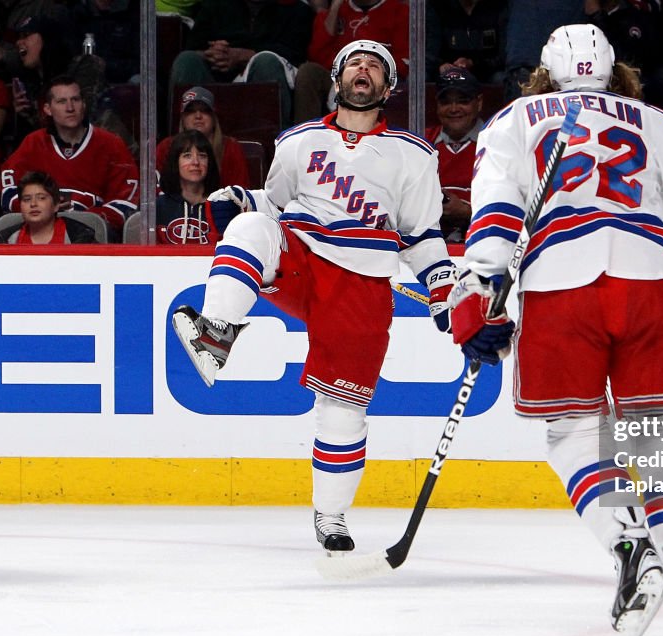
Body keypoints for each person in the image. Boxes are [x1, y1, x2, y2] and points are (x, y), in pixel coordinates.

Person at [451, 24, 663, 636]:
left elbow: (496, 211)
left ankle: (628, 544)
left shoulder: (517, 117)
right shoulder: (657, 123)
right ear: (615, 74)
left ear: (545, 72)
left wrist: (484, 294)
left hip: (563, 285)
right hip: (650, 282)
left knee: (574, 432)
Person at [171, 40, 457, 554]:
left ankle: (331, 517)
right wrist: (239, 198)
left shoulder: (414, 155)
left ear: (387, 87)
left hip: (363, 285)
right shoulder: (299, 140)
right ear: (338, 79)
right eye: (355, 64)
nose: (363, 70)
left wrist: (440, 283)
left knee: (342, 410)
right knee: (253, 227)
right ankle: (214, 334)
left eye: (375, 66)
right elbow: (274, 203)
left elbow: (421, 233)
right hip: (303, 255)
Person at [0, 76, 139, 237]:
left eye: (75, 99)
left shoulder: (111, 144)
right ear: (47, 109)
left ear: (84, 105)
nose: (70, 107)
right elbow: (8, 189)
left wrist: (81, 219)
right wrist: (45, 212)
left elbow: (126, 201)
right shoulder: (33, 143)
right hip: (39, 232)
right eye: (61, 101)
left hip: (93, 237)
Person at [169, 0, 314, 126]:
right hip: (217, 77)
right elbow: (193, 46)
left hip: (263, 78)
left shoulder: (296, 10)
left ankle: (275, 147)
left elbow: (296, 55)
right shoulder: (216, 5)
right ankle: (182, 145)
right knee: (186, 60)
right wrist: (213, 53)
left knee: (266, 62)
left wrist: (245, 56)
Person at [294, 0, 409, 124]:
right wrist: (334, 10)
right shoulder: (336, 11)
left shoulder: (399, 11)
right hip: (337, 76)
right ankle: (305, 135)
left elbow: (402, 64)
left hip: (376, 79)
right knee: (308, 72)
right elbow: (317, 57)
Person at [424, 66, 485, 241]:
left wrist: (467, 213)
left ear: (478, 102)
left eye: (463, 101)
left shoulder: (497, 140)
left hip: (481, 244)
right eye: (446, 102)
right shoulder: (423, 141)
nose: (454, 108)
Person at [157, 87, 251, 189]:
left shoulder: (231, 148)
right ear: (183, 118)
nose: (198, 116)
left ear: (214, 117)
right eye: (191, 111)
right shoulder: (166, 147)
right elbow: (155, 191)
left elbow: (240, 194)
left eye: (205, 110)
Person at [0, 170, 96, 244]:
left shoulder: (80, 237)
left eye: (41, 198)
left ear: (56, 205)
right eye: (27, 199)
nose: (33, 204)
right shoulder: (5, 240)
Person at [156, 129, 222, 245]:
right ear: (175, 163)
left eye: (202, 156)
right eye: (187, 156)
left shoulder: (222, 207)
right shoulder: (159, 207)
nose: (195, 162)